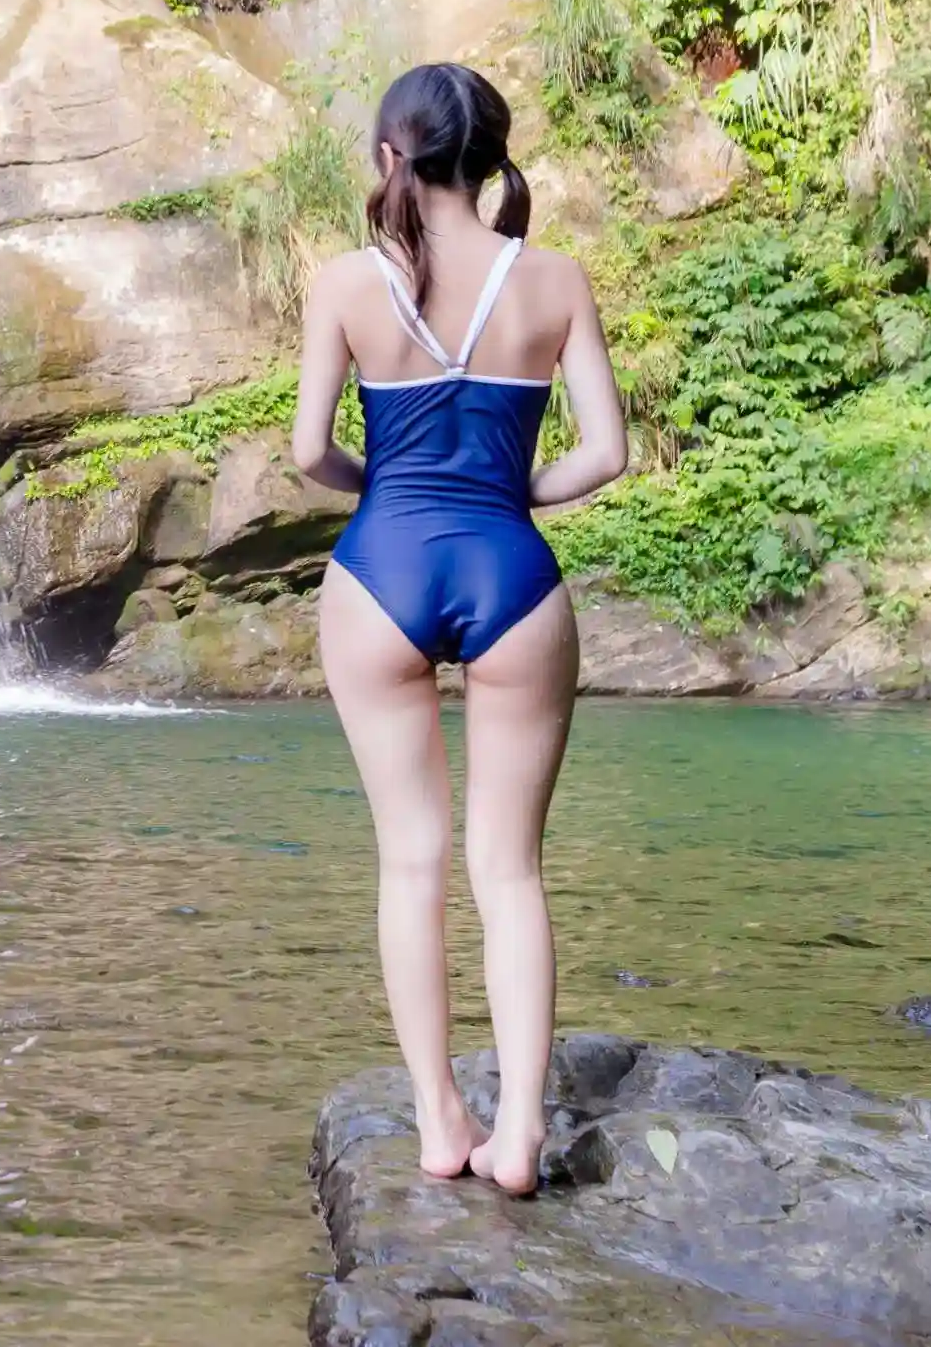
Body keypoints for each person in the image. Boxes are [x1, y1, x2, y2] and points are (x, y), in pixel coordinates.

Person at [293, 61, 632, 1192]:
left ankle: (440, 1120)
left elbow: (308, 452)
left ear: (391, 154)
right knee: (511, 870)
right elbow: (606, 453)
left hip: (379, 569)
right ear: (489, 156)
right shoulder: (555, 277)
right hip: (511, 572)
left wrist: (386, 486)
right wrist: (511, 493)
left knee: (411, 859)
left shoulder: (347, 282)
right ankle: (520, 1132)